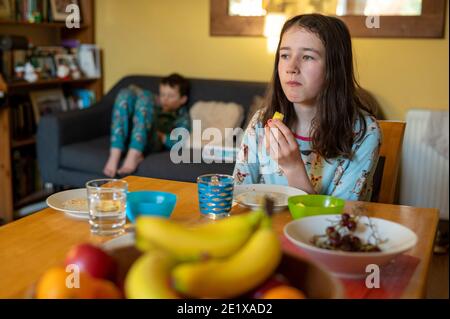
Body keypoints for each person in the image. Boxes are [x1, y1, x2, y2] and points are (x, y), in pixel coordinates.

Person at [233, 14, 381, 201]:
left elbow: (336, 222)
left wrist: (293, 168)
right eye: (285, 55)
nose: (291, 67)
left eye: (308, 57)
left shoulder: (364, 133)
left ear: (334, 68)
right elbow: (238, 196)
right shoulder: (261, 121)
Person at [103, 73, 190, 177]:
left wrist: (162, 137)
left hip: (150, 140)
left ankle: (135, 153)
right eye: (162, 94)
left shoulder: (182, 116)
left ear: (183, 99)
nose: (165, 99)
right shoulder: (156, 104)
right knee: (125, 93)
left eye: (171, 96)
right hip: (129, 136)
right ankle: (115, 153)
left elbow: (182, 140)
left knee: (146, 96)